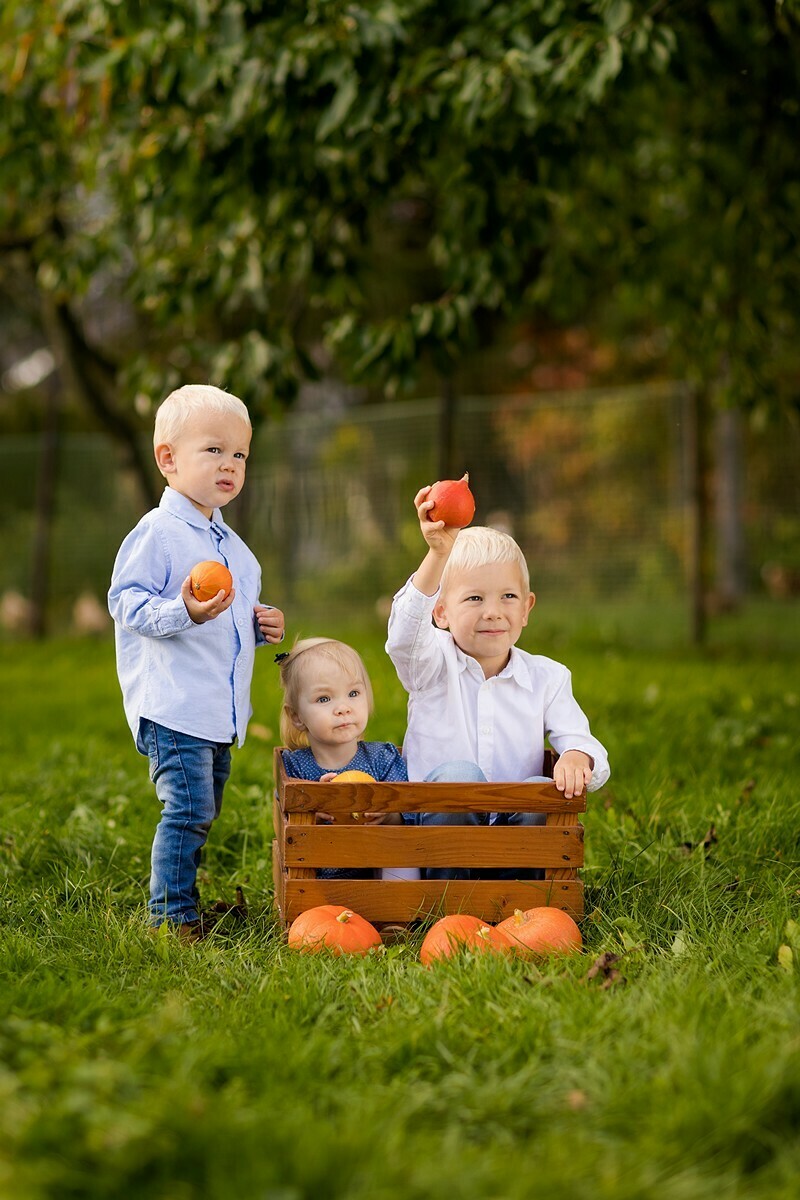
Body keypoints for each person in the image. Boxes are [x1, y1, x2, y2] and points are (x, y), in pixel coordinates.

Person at [108, 384, 285, 939]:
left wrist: (259, 627)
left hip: (217, 712)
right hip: (173, 705)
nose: (230, 465)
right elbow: (124, 602)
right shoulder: (158, 534)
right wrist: (182, 609)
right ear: (168, 459)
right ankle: (170, 917)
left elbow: (226, 623)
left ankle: (181, 899)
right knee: (186, 812)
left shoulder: (235, 549)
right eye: (214, 450)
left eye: (240, 455)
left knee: (202, 813)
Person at [385, 486, 610, 881]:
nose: (493, 612)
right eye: (473, 599)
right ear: (441, 613)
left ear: (526, 609)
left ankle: (515, 898)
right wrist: (438, 554)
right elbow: (404, 634)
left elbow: (581, 739)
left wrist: (577, 756)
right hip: (436, 833)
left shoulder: (548, 677)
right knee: (459, 776)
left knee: (542, 789)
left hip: (512, 832)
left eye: (507, 596)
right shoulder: (430, 664)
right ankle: (449, 901)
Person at [278, 638, 417, 882]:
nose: (343, 708)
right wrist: (313, 810)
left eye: (353, 693)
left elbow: (407, 813)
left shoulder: (382, 759)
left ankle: (396, 914)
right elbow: (288, 823)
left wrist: (386, 814)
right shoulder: (296, 767)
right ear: (297, 716)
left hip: (376, 872)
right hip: (320, 878)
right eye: (324, 699)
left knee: (402, 850)